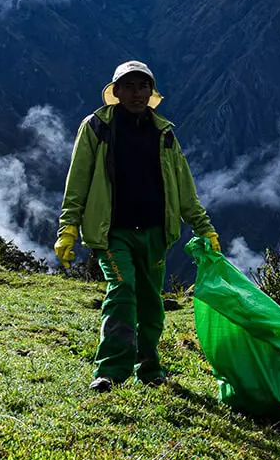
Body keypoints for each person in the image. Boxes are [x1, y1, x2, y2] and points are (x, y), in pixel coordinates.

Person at [54, 60, 220, 392]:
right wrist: (68, 228)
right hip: (112, 232)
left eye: (143, 86)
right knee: (122, 291)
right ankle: (111, 371)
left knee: (150, 304)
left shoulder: (164, 134)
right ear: (115, 92)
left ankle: (150, 368)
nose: (136, 93)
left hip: (155, 233)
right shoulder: (96, 128)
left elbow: (184, 188)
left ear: (151, 91)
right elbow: (78, 181)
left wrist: (204, 228)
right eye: (128, 86)